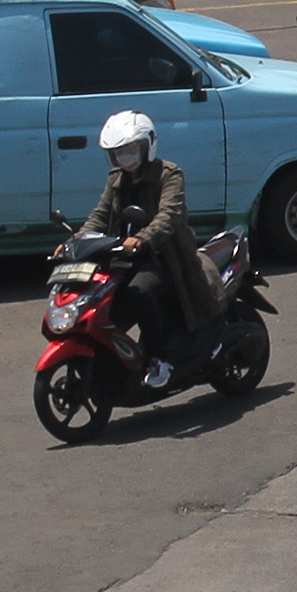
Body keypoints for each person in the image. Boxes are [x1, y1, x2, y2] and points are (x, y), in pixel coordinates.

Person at [76, 111, 217, 390]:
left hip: (164, 258)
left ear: (147, 147)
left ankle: (159, 359)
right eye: (118, 152)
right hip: (126, 258)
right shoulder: (116, 179)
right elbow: (99, 216)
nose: (124, 158)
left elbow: (168, 216)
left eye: (130, 150)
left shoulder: (169, 174)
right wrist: (77, 241)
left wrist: (142, 239)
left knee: (137, 294)